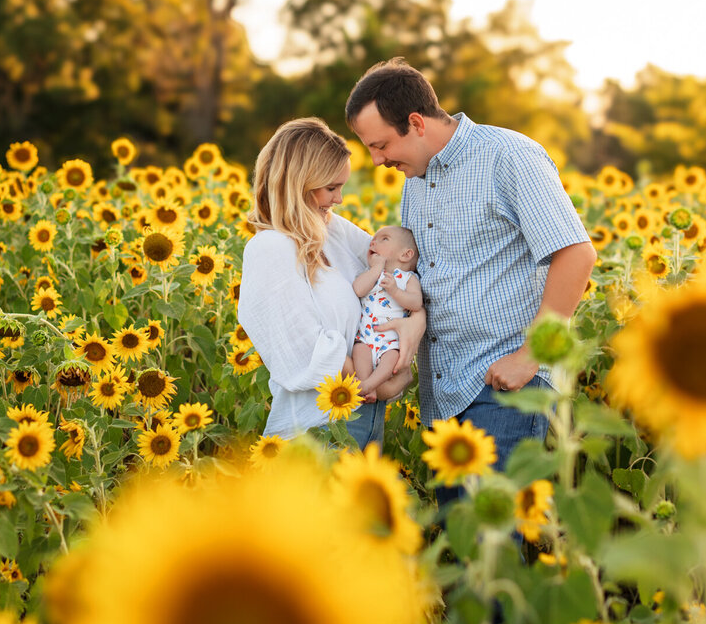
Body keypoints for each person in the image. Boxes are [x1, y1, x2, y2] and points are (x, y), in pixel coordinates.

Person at [346, 58, 596, 503]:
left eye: (381, 145)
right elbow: (431, 281)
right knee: (462, 544)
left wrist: (529, 356)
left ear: (417, 123)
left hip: (505, 383)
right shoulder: (416, 181)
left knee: (491, 550)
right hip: (444, 391)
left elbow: (575, 254)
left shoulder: (507, 156)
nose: (378, 160)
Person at [237, 118, 424, 449]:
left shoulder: (331, 230)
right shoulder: (270, 249)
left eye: (342, 187)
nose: (338, 199)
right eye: (331, 188)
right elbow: (303, 350)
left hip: (362, 413)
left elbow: (400, 268)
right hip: (317, 427)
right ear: (299, 184)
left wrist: (416, 322)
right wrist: (384, 385)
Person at [344, 225, 422, 404]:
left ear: (405, 255)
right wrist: (375, 269)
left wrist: (395, 291)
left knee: (392, 358)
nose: (373, 242)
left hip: (390, 341)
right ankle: (367, 387)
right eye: (374, 238)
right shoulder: (371, 274)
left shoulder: (407, 278)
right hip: (366, 336)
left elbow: (416, 303)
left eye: (384, 239)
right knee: (359, 350)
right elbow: (357, 289)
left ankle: (370, 384)